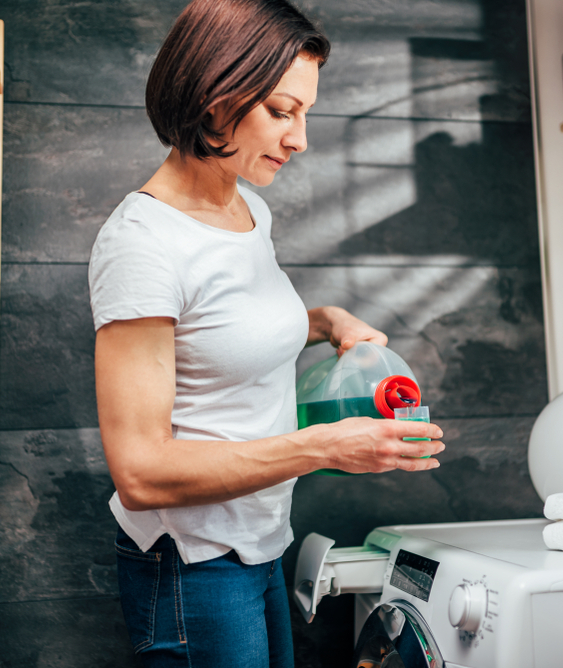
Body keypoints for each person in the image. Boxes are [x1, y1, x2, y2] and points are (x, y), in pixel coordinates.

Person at [88, 0, 445, 665]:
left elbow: (220, 331)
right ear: (214, 99)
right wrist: (322, 446)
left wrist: (326, 322)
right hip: (192, 563)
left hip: (259, 540)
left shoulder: (247, 206)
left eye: (304, 113)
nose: (300, 138)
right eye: (283, 112)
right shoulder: (142, 244)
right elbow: (140, 471)